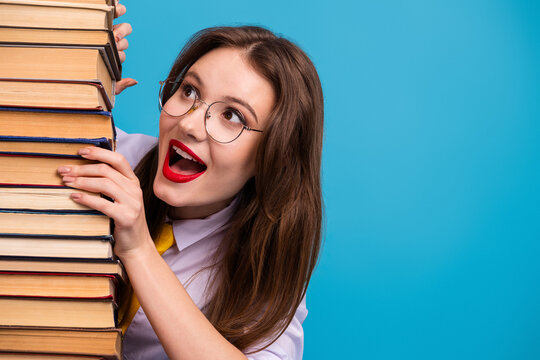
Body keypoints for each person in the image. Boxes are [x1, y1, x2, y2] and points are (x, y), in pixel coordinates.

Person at [58, 21, 324, 360]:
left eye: (232, 115)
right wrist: (65, 89)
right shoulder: (113, 157)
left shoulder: (264, 267)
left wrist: (139, 249)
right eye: (189, 91)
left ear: (275, 158)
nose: (188, 123)